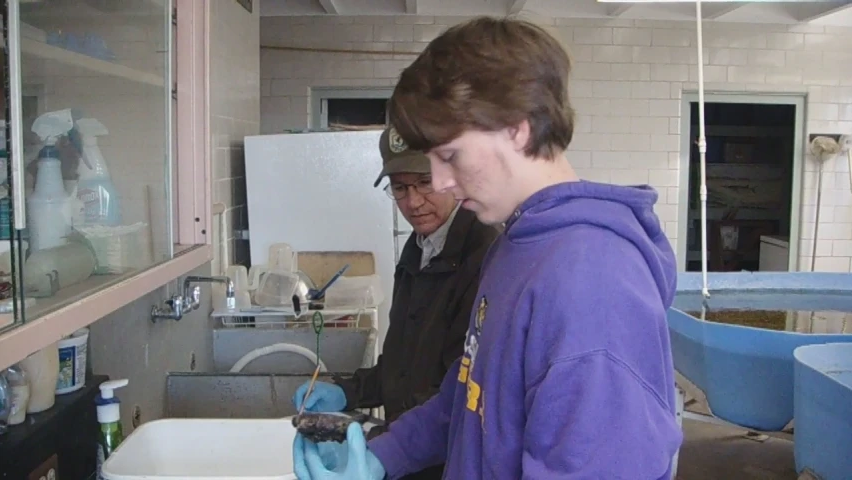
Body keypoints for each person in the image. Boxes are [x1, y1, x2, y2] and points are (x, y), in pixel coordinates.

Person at [292, 16, 683, 480]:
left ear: (516, 128)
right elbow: (471, 392)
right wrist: (384, 455)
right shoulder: (515, 246)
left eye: (449, 156)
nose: (439, 184)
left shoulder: (592, 282)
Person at [292, 126, 500, 479]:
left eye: (423, 183)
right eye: (400, 188)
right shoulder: (419, 248)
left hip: (444, 461)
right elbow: (404, 363)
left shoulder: (482, 258)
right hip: (407, 455)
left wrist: (381, 445)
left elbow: (459, 393)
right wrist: (347, 392)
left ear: (449, 177)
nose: (413, 202)